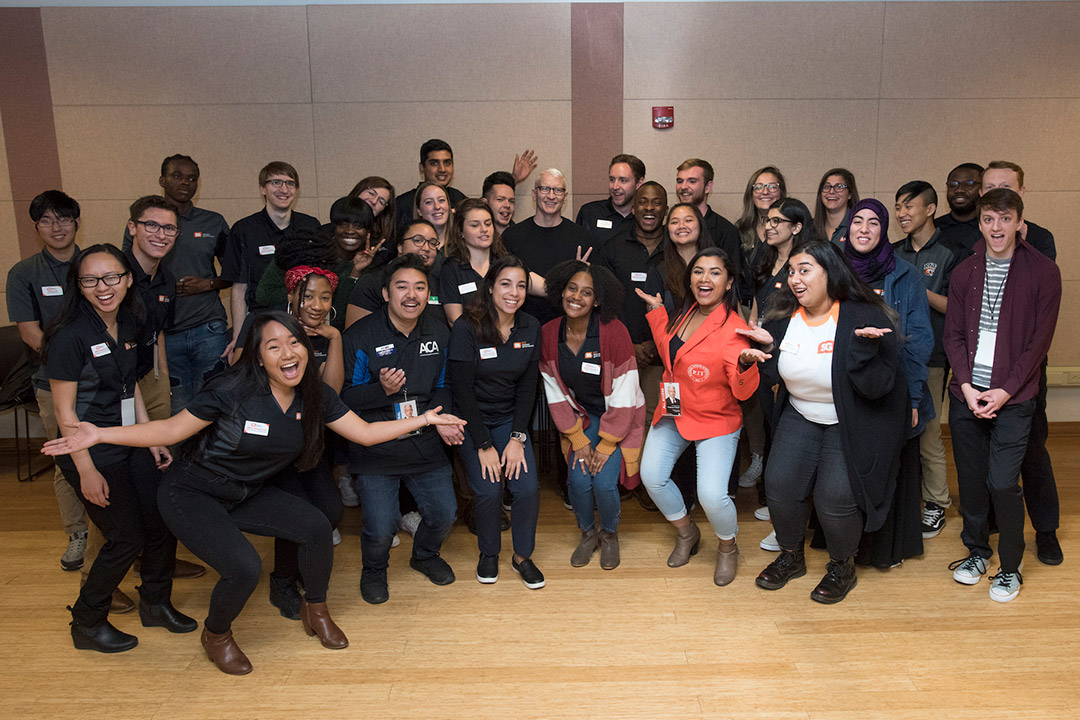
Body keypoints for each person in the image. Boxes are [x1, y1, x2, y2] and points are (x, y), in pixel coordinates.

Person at [43, 310, 464, 673]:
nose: (288, 353)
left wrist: (425, 419)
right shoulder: (231, 390)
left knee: (317, 525)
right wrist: (99, 434)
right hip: (193, 492)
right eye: (274, 346)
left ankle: (315, 610)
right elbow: (170, 429)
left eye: (294, 343)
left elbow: (367, 433)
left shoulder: (314, 395)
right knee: (244, 568)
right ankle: (217, 635)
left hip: (246, 490)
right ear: (259, 358)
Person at [41, 244, 194, 653]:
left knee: (161, 521)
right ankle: (87, 621)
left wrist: (152, 438)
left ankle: (156, 604)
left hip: (129, 440)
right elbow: (64, 412)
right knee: (124, 538)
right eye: (90, 280)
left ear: (128, 279)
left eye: (112, 277)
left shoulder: (129, 322)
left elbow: (132, 388)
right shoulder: (69, 336)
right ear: (79, 285)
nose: (102, 287)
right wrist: (86, 470)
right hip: (90, 452)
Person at [741, 241, 907, 604]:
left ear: (829, 272)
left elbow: (880, 388)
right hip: (800, 413)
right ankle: (791, 557)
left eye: (805, 270)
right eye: (792, 271)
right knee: (780, 483)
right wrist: (759, 356)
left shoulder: (864, 317)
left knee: (835, 497)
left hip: (851, 422)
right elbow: (778, 374)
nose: (795, 279)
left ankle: (841, 567)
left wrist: (863, 354)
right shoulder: (783, 319)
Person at [943, 189, 1061, 602]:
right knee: (972, 482)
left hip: (1015, 397)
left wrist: (1006, 390)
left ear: (1019, 223)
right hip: (968, 395)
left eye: (1005, 219)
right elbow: (953, 334)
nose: (997, 228)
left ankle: (1010, 566)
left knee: (1002, 482)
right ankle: (977, 552)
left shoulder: (1043, 272)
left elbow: (1038, 343)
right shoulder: (965, 271)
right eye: (989, 220)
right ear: (980, 223)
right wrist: (967, 386)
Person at [634, 248, 759, 586]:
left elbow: (743, 390)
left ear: (729, 281)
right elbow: (670, 350)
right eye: (699, 271)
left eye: (715, 272)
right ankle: (687, 532)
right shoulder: (682, 313)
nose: (705, 279)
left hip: (716, 418)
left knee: (712, 495)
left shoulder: (736, 328)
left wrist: (746, 365)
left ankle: (728, 547)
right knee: (652, 476)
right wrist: (657, 311)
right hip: (675, 409)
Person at [342, 254, 459, 604]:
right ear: (386, 293)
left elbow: (444, 384)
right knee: (380, 527)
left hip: (424, 441)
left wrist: (443, 420)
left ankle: (424, 555)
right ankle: (374, 570)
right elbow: (345, 397)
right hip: (376, 446)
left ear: (429, 293)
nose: (412, 295)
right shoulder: (360, 336)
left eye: (420, 287)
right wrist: (382, 391)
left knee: (443, 514)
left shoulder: (439, 331)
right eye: (402, 287)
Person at [978, 161, 1062, 565]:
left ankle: (1046, 531)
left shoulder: (1041, 242)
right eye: (989, 188)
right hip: (979, 371)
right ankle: (994, 524)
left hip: (1024, 372)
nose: (996, 192)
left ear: (1021, 196)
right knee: (987, 457)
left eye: (1005, 188)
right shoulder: (977, 242)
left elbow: (1038, 316)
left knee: (1031, 450)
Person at [843, 198, 934, 568]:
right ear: (847, 227)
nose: (864, 229)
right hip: (847, 385)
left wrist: (912, 398)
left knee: (888, 465)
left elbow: (920, 338)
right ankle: (844, 545)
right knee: (848, 467)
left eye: (874, 223)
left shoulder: (905, 274)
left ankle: (885, 550)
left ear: (885, 230)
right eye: (858, 222)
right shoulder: (835, 271)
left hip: (892, 388)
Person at [539, 260, 646, 569]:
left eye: (587, 292)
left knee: (603, 483)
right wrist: (577, 438)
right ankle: (588, 533)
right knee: (578, 480)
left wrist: (607, 443)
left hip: (618, 416)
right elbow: (553, 392)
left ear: (597, 300)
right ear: (561, 292)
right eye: (572, 289)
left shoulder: (614, 332)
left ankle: (610, 534)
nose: (577, 297)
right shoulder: (548, 334)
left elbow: (627, 392)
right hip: (581, 417)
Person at [7, 191, 90, 575]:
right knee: (67, 460)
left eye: (64, 219)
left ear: (77, 222)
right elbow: (29, 332)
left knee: (118, 458)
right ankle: (78, 534)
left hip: (107, 381)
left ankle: (123, 535)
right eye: (47, 221)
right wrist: (70, 366)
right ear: (37, 227)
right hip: (52, 382)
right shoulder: (24, 273)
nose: (57, 227)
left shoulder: (96, 264)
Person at [449, 256, 544, 588]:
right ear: (490, 288)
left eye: (521, 285)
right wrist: (484, 444)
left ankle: (522, 557)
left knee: (527, 487)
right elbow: (460, 390)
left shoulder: (530, 327)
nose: (513, 292)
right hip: (472, 420)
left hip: (508, 420)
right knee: (489, 490)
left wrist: (517, 437)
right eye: (506, 284)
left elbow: (528, 386)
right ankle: (488, 553)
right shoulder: (467, 326)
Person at [122, 155, 233, 414]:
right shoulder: (144, 224)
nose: (185, 182)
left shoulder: (213, 222)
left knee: (214, 400)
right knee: (176, 405)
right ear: (162, 180)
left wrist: (208, 284)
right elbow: (129, 271)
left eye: (192, 178)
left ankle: (212, 456)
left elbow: (234, 273)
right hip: (163, 332)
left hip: (208, 326)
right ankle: (179, 456)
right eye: (177, 176)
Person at [891, 181, 959, 539]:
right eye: (898, 207)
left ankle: (936, 503)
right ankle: (902, 499)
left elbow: (955, 306)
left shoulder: (948, 253)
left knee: (928, 432)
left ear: (930, 208)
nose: (902, 213)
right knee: (894, 430)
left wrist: (915, 285)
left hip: (929, 355)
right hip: (888, 356)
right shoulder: (892, 251)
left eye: (909, 206)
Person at [747, 198, 815, 547]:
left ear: (797, 226)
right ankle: (780, 509)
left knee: (792, 444)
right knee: (775, 434)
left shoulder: (806, 264)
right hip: (764, 354)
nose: (769, 226)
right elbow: (758, 306)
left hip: (792, 357)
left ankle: (790, 523)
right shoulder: (765, 259)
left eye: (778, 221)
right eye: (767, 220)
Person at [221, 161, 321, 346]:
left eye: (290, 183)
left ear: (296, 190)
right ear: (262, 189)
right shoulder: (244, 230)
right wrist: (238, 338)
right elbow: (239, 288)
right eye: (276, 182)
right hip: (262, 321)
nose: (284, 189)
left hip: (305, 322)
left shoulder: (311, 226)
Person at [256, 198, 381, 330]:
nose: (350, 231)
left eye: (358, 226)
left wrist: (355, 272)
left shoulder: (368, 264)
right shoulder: (304, 251)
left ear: (368, 232)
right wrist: (302, 292)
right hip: (285, 327)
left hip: (333, 334)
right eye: (343, 224)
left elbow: (340, 315)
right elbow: (264, 295)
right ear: (334, 226)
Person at [502, 168, 593, 325]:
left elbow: (591, 291)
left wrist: (583, 277)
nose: (551, 196)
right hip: (521, 329)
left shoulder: (582, 238)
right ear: (534, 194)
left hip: (568, 330)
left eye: (558, 190)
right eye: (545, 189)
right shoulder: (511, 236)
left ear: (564, 197)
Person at [347, 219, 445, 328]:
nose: (426, 248)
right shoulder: (372, 281)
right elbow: (356, 334)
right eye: (418, 240)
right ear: (400, 247)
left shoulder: (440, 281)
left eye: (432, 243)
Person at [442, 198, 509, 326]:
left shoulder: (504, 264)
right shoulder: (451, 268)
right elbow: (454, 320)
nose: (484, 229)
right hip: (469, 341)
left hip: (503, 338)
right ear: (461, 231)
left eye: (488, 223)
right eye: (475, 225)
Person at [674, 159, 741, 268]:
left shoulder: (726, 231)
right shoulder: (671, 228)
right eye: (680, 181)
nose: (683, 187)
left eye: (692, 181)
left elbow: (734, 277)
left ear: (708, 187)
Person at [576, 154, 645, 245]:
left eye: (623, 180)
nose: (615, 186)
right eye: (612, 179)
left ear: (639, 183)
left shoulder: (645, 218)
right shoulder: (589, 213)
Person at [734, 166, 787, 285]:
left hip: (782, 300)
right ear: (751, 194)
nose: (765, 192)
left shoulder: (791, 229)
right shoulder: (740, 230)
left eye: (772, 187)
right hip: (745, 302)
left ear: (781, 192)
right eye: (758, 187)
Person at [936, 163, 983, 255]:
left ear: (983, 188)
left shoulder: (993, 228)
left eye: (968, 184)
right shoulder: (934, 229)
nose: (959, 190)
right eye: (953, 185)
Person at [812, 168, 859, 244]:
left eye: (839, 187)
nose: (831, 191)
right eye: (827, 187)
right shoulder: (810, 228)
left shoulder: (858, 227)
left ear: (850, 194)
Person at [414, 182, 453, 249]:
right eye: (429, 202)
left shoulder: (463, 244)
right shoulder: (413, 247)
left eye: (441, 200)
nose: (437, 207)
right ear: (419, 211)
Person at [483, 171, 518, 236]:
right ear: (485, 203)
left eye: (511, 201)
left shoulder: (522, 236)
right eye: (500, 199)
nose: (507, 205)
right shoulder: (477, 239)